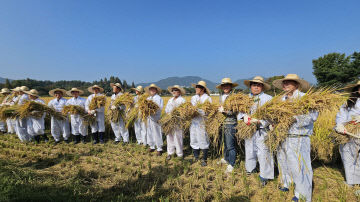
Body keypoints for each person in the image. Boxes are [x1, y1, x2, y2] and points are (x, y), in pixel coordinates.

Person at [273, 74, 318, 202]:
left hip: (299, 136)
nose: (286, 84)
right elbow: (276, 116)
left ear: (297, 85)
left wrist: (295, 118)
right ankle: (287, 183)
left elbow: (312, 116)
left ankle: (302, 194)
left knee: (300, 166)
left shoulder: (305, 98)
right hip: (282, 136)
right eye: (284, 82)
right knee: (284, 161)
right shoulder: (280, 100)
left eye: (289, 82)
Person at [239, 76, 274, 185]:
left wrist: (260, 121)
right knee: (249, 149)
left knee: (263, 152)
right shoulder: (245, 98)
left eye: (259, 85)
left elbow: (272, 115)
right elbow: (239, 111)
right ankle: (250, 169)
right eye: (254, 85)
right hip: (248, 128)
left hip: (262, 129)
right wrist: (243, 117)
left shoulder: (268, 99)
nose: (256, 87)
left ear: (262, 87)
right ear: (250, 87)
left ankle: (265, 175)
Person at [335, 80, 360, 187]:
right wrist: (340, 125)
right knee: (348, 154)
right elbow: (341, 116)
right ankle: (351, 181)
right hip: (350, 132)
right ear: (357, 89)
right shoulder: (348, 103)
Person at [216, 78, 239, 174]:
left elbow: (235, 111)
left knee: (230, 145)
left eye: (227, 85)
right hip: (222, 123)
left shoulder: (234, 97)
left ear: (231, 86)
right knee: (225, 143)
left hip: (231, 123)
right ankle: (226, 158)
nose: (225, 87)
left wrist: (225, 112)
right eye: (224, 85)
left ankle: (232, 164)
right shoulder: (221, 96)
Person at [190, 81, 212, 166]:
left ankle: (204, 159)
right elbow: (191, 108)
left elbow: (207, 111)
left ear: (202, 89)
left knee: (203, 139)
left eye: (198, 87)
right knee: (194, 139)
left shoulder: (207, 98)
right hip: (194, 121)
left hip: (202, 122)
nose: (196, 89)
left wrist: (197, 111)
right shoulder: (194, 97)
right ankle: (196, 157)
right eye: (196, 87)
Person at [164, 85, 186, 160]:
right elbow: (166, 109)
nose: (174, 91)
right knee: (169, 137)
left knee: (178, 137)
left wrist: (176, 114)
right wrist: (168, 114)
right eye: (173, 90)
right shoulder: (170, 100)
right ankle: (170, 153)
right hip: (169, 120)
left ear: (179, 92)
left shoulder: (182, 100)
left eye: (176, 90)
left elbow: (183, 111)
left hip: (178, 121)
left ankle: (179, 154)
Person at [144, 84, 164, 156]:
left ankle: (159, 148)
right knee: (150, 132)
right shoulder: (148, 98)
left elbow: (159, 108)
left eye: (153, 89)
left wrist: (152, 110)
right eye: (150, 89)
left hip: (156, 118)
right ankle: (152, 146)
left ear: (156, 90)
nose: (152, 90)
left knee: (157, 132)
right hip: (149, 117)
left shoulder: (158, 98)